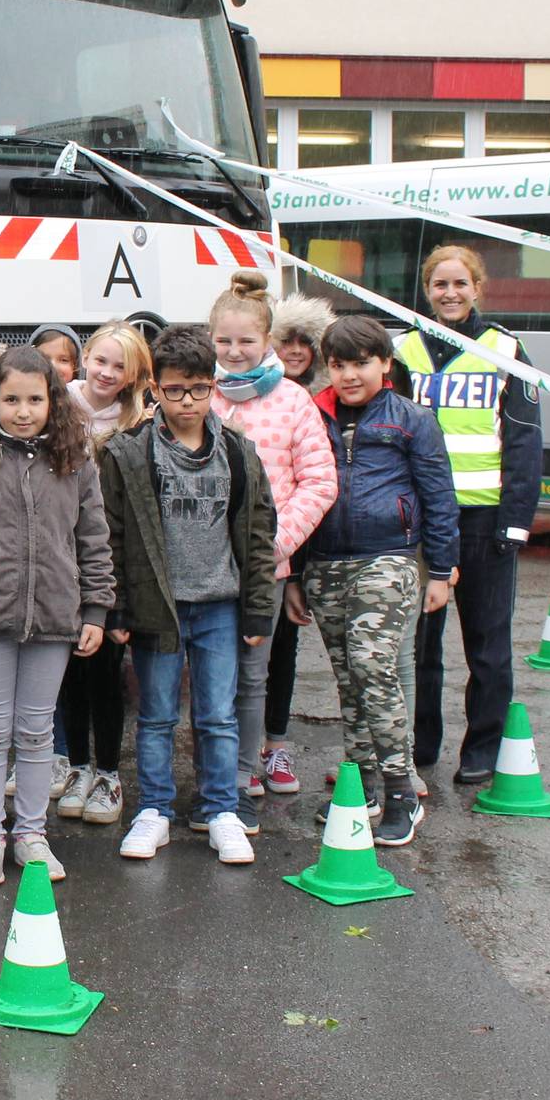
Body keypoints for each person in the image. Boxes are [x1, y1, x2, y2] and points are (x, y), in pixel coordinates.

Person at [0, 347, 114, 886]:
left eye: (35, 399)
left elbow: (94, 539)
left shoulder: (75, 458)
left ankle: (31, 834)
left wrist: (97, 608)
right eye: (11, 399)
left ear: (53, 402)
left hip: (56, 615)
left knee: (36, 731)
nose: (23, 409)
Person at [99, 324, 277, 867]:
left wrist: (259, 608)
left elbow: (258, 532)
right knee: (155, 716)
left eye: (199, 389)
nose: (187, 402)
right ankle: (154, 810)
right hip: (160, 607)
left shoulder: (239, 453)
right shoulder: (129, 454)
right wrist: (116, 608)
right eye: (174, 390)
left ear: (213, 386)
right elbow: (112, 536)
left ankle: (222, 809)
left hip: (221, 605)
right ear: (154, 388)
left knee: (218, 715)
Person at [286, 315, 459, 847]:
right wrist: (293, 572)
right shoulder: (312, 416)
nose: (350, 375)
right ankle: (360, 787)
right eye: (339, 364)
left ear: (385, 364)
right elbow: (295, 489)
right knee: (348, 678)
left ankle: (402, 788)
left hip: (389, 559)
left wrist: (442, 570)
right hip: (325, 563)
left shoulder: (412, 420)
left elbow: (439, 496)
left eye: (362, 363)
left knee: (373, 662)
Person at [395, 245, 543, 785]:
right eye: (440, 285)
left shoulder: (506, 349)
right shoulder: (403, 349)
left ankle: (482, 750)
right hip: (421, 521)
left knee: (487, 645)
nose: (450, 294)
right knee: (420, 647)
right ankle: (421, 746)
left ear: (477, 288)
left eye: (460, 284)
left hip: (485, 521)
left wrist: (515, 520)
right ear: (428, 291)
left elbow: (526, 441)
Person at [208, 271, 338, 829]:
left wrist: (275, 545)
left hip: (266, 568)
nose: (235, 353)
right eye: (223, 342)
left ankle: (242, 776)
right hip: (201, 567)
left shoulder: (293, 402)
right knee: (210, 676)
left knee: (253, 675)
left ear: (267, 342)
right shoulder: (197, 395)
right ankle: (213, 777)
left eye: (246, 342)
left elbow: (319, 482)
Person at [53, 320, 152, 822]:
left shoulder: (138, 424)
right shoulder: (56, 405)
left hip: (107, 564)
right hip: (58, 561)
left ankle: (108, 773)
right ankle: (75, 764)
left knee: (105, 676)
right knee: (69, 672)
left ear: (135, 376)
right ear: (85, 357)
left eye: (121, 367)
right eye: (102, 360)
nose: (107, 373)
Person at [261, 291, 333, 794]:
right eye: (284, 338)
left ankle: (276, 744)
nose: (294, 349)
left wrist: (295, 567)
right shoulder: (252, 393)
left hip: (304, 547)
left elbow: (316, 483)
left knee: (284, 650)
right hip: (265, 551)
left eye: (305, 340)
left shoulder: (326, 397)